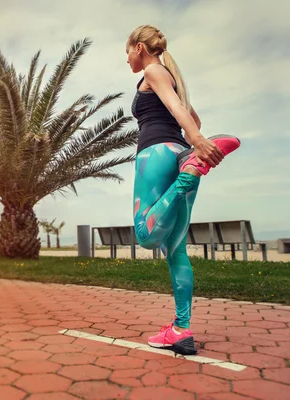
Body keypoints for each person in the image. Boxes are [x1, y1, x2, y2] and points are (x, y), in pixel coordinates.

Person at [126, 25, 240, 355]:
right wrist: (194, 141)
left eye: (128, 53)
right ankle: (181, 329)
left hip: (156, 155)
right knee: (175, 250)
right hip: (179, 153)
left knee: (145, 235)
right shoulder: (171, 75)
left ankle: (187, 177)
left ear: (139, 48)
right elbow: (190, 115)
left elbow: (181, 115)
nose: (128, 61)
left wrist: (199, 143)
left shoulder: (152, 69)